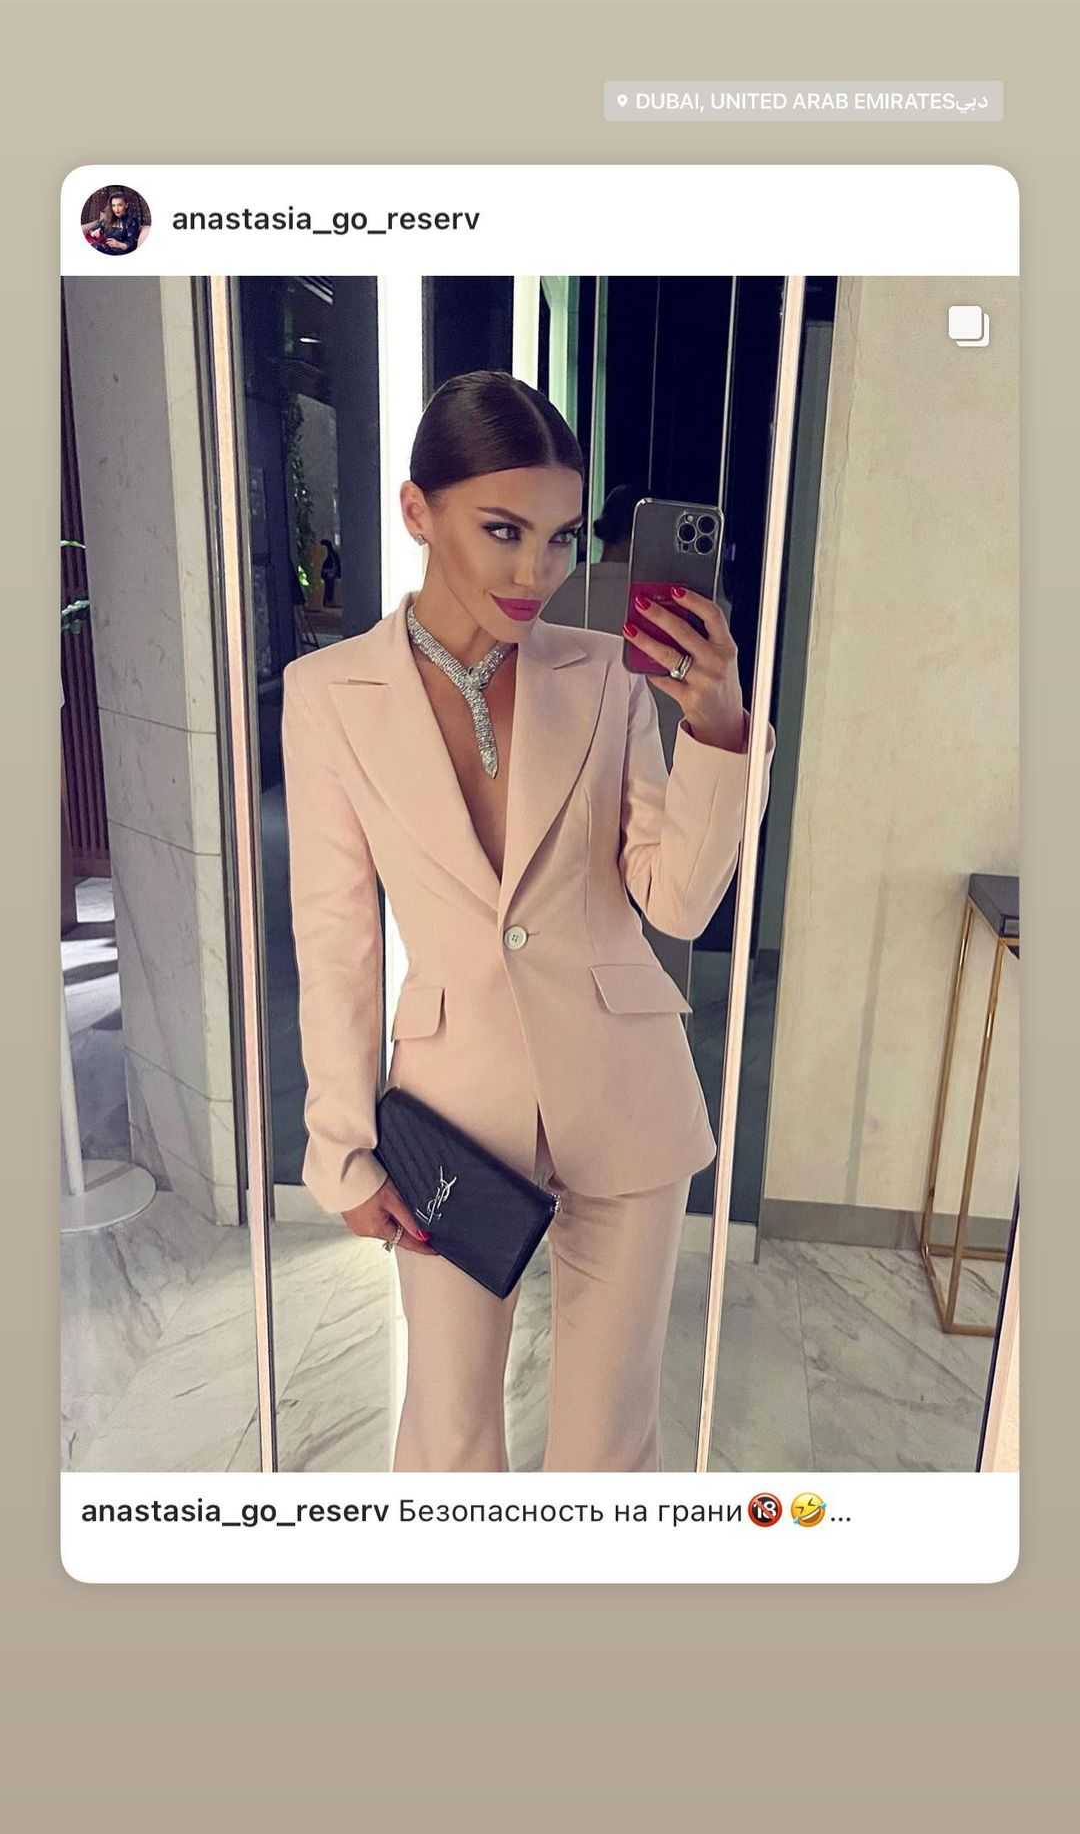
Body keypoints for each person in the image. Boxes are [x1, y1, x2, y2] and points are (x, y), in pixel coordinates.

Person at [281, 370, 777, 1472]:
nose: (536, 572)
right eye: (503, 530)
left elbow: (677, 898)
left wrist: (720, 730)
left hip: (626, 1088)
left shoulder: (603, 673)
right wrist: (342, 1147)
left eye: (559, 538)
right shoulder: (328, 695)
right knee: (449, 1438)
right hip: (452, 1111)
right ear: (418, 510)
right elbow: (336, 937)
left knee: (607, 1451)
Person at [82, 190, 143, 255]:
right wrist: (95, 232)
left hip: (119, 252)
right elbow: (95, 229)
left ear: (126, 205)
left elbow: (131, 244)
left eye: (120, 205)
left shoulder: (132, 221)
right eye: (113, 205)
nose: (116, 209)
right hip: (104, 246)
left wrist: (119, 244)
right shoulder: (108, 218)